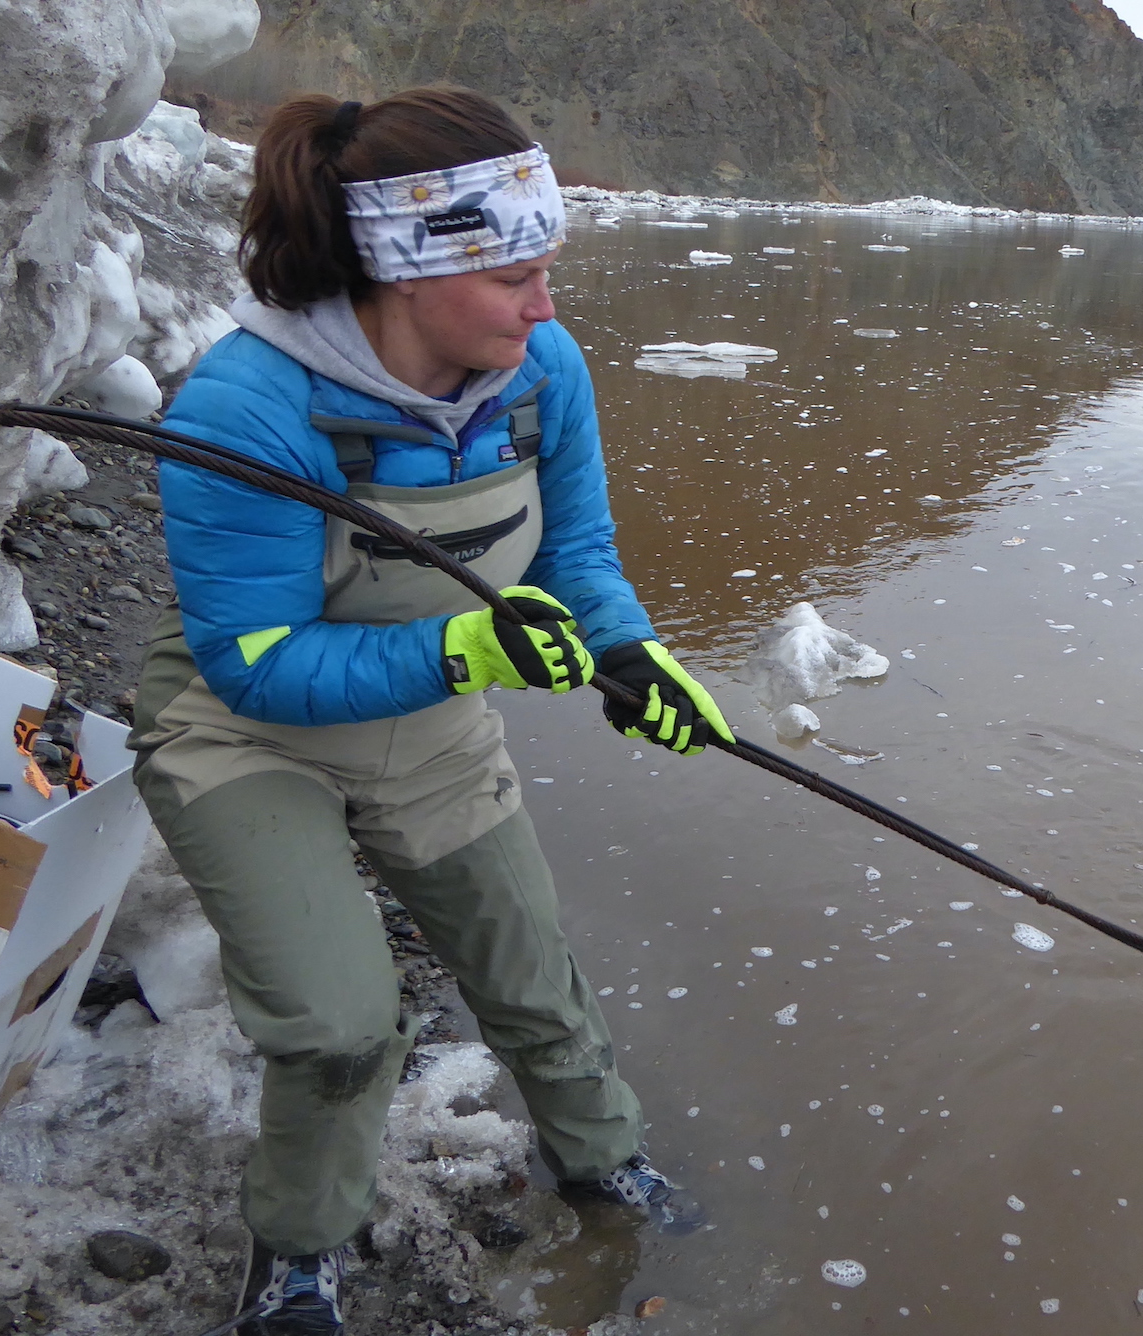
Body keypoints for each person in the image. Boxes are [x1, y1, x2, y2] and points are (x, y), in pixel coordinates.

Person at [126, 86, 732, 1335]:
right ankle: (297, 1251)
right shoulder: (244, 405)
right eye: (517, 273)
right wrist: (464, 645)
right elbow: (252, 661)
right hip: (247, 740)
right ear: (408, 268)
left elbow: (578, 556)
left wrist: (630, 655)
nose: (546, 303)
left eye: (548, 268)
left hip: (432, 726)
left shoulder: (539, 367)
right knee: (340, 1026)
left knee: (531, 971)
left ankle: (599, 1155)